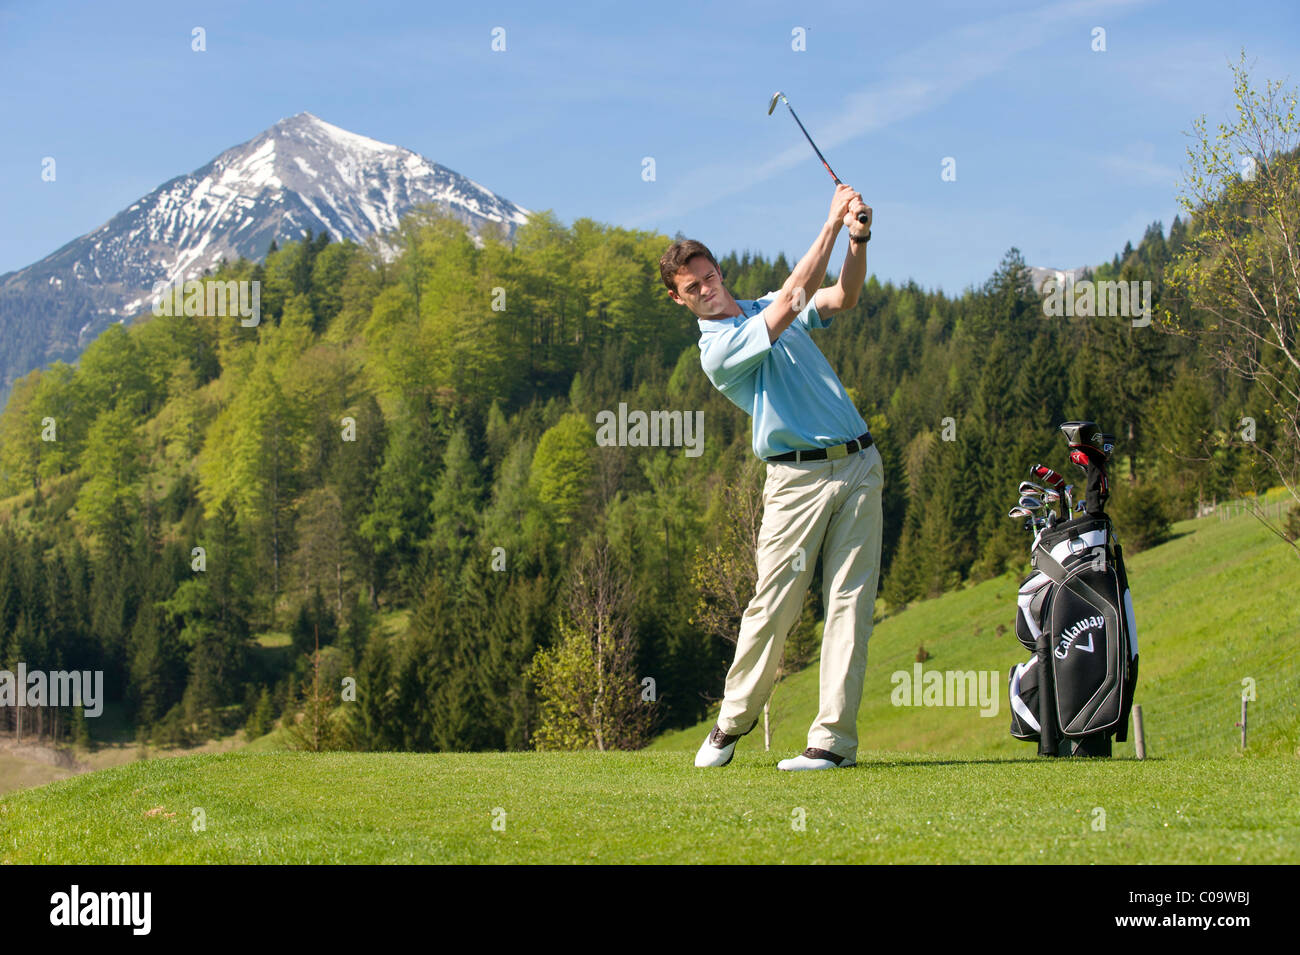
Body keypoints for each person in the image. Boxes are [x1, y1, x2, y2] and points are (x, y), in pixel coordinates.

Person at [659, 183, 882, 771]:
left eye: (709, 277)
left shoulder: (759, 306)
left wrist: (857, 238)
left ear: (719, 273)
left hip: (859, 464)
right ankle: (731, 722)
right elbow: (794, 298)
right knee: (773, 607)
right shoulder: (719, 350)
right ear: (680, 301)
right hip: (795, 481)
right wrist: (831, 222)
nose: (706, 290)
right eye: (692, 289)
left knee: (850, 608)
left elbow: (844, 296)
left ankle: (831, 745)